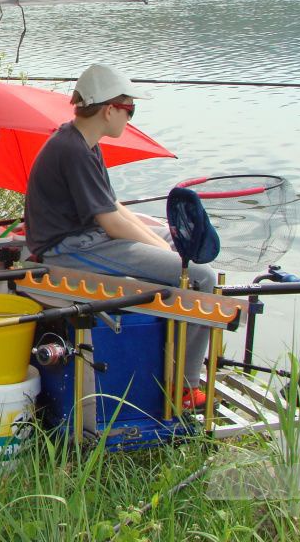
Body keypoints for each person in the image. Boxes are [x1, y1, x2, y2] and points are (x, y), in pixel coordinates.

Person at [23, 63, 216, 409]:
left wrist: (168, 243)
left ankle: (176, 358)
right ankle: (184, 387)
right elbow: (111, 222)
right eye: (130, 109)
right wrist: (171, 258)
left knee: (185, 251)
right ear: (109, 109)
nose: (130, 118)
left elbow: (113, 205)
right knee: (201, 278)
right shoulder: (73, 149)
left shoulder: (85, 142)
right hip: (67, 249)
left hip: (93, 237)